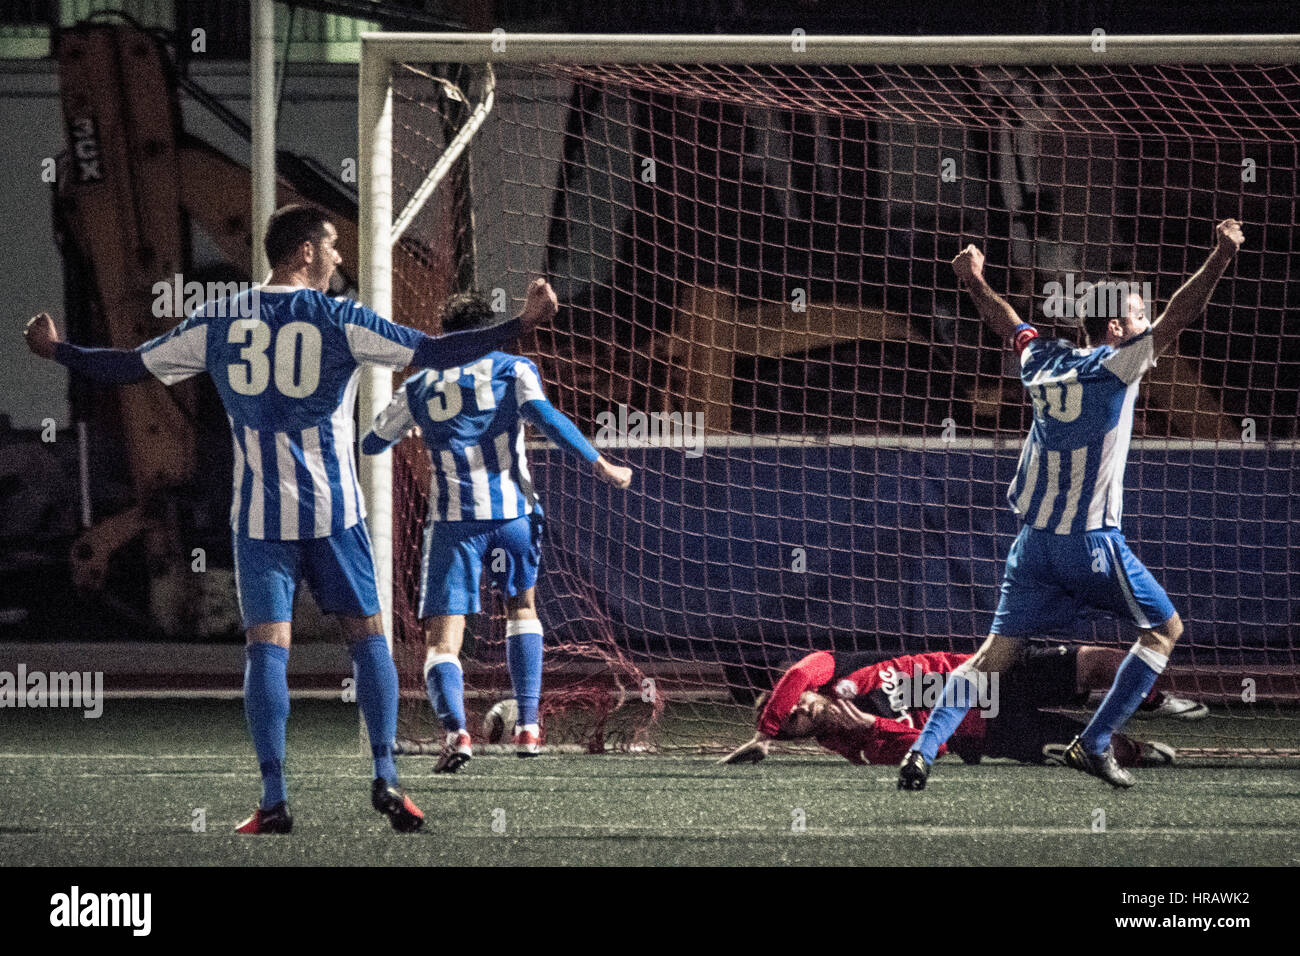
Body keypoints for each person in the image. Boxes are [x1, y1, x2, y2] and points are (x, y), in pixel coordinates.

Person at [23, 203, 554, 833]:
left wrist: (58, 351)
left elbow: (129, 365)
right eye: (330, 247)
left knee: (266, 652)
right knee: (368, 640)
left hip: (258, 519)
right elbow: (437, 352)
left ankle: (274, 800)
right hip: (335, 515)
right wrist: (519, 324)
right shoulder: (341, 319)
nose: (337, 259)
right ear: (303, 250)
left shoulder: (218, 319)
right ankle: (386, 777)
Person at [899, 219, 1244, 790]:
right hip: (1090, 543)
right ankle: (1095, 741)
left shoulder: (1042, 363)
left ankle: (924, 749)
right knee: (1164, 630)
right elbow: (1181, 315)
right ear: (1116, 327)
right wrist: (1221, 257)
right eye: (1139, 316)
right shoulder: (1116, 367)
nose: (1147, 324)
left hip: (1031, 546)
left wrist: (972, 280)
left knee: (991, 657)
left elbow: (1007, 323)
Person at [362, 290, 632, 771]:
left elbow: (375, 439)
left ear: (445, 337)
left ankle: (456, 734)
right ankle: (529, 726)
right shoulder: (512, 368)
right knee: (521, 608)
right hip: (512, 517)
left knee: (443, 641)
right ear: (489, 329)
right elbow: (545, 417)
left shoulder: (420, 384)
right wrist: (601, 464)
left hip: (453, 524)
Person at [720, 645, 1205, 767]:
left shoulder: (836, 669)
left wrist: (764, 733)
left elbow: (799, 673)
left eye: (801, 702)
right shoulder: (853, 744)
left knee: (1100, 662)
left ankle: (1154, 700)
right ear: (802, 736)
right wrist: (873, 724)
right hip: (992, 732)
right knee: (1104, 751)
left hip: (987, 673)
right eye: (798, 719)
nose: (807, 705)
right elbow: (936, 748)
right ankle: (1141, 750)